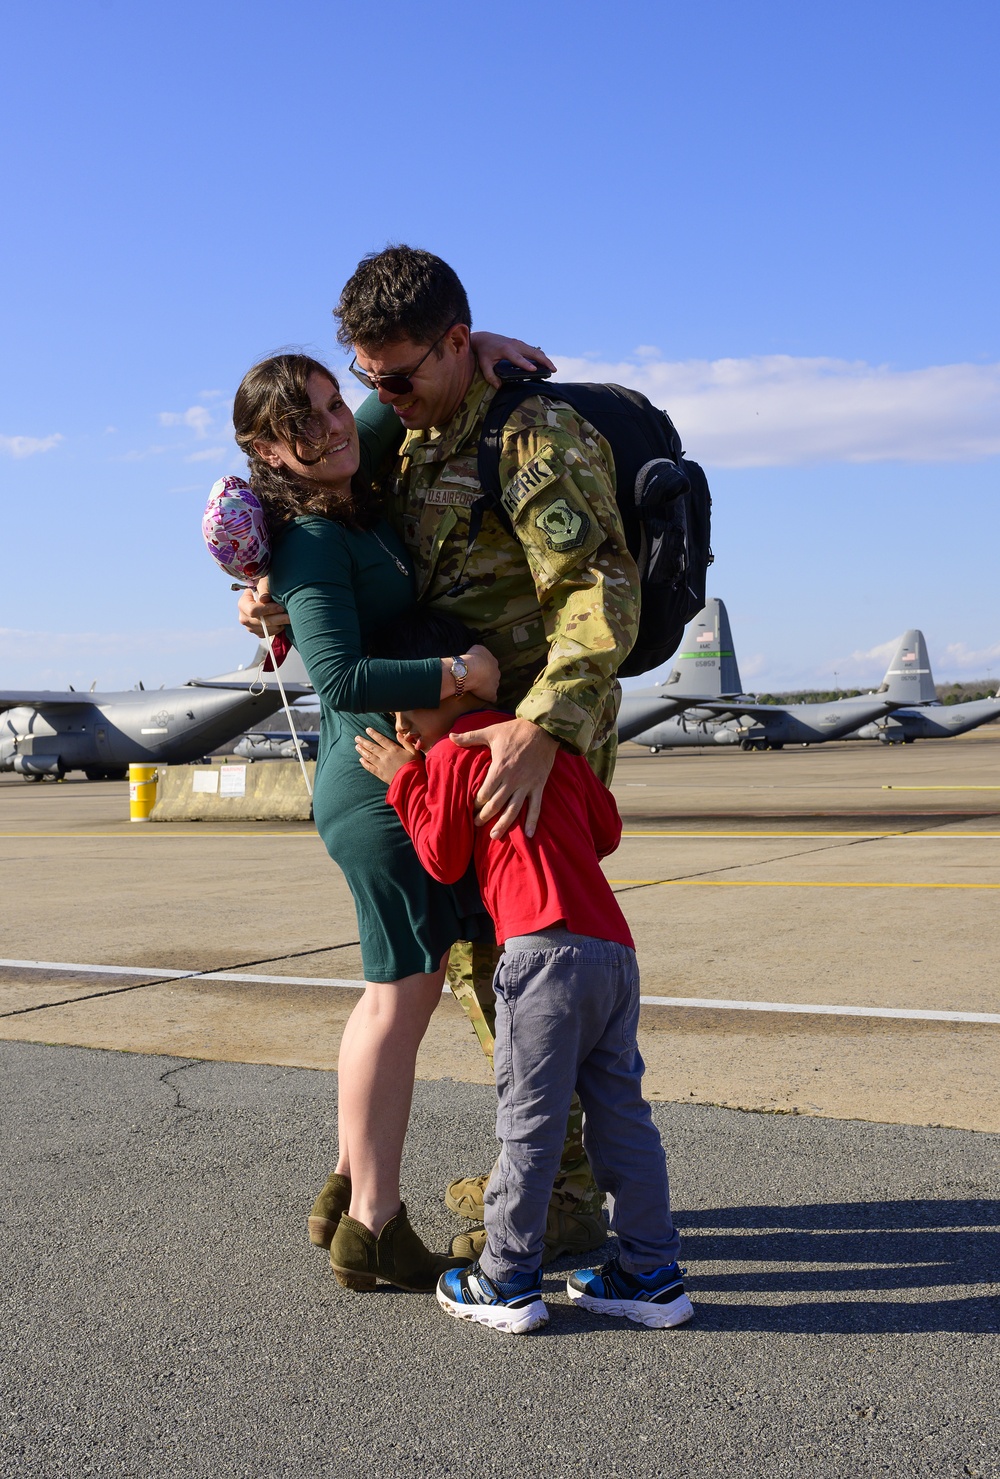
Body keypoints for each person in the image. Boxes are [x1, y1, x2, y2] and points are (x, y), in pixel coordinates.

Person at [240, 245, 641, 1263]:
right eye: (368, 381)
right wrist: (274, 599)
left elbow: (598, 592)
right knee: (481, 968)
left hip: (523, 754)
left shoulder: (533, 438)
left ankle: (555, 1196)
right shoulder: (403, 437)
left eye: (400, 376)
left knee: (534, 966)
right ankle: (526, 1176)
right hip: (441, 763)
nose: (378, 400)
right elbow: (316, 512)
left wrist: (543, 730)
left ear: (455, 344)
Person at [233, 346, 517, 1292]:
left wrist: (474, 345)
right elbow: (341, 677)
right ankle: (375, 1225)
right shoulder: (313, 544)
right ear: (267, 455)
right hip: (376, 788)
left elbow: (393, 391)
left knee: (388, 995)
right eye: (301, 425)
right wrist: (460, 675)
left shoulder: (349, 485)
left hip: (388, 783)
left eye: (328, 404)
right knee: (402, 999)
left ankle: (347, 1185)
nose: (331, 426)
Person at [355, 613, 693, 1336]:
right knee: (622, 1114)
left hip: (540, 955)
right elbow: (607, 831)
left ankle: (506, 1277)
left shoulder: (449, 754)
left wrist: (405, 779)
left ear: (434, 691)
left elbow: (442, 858)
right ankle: (650, 1271)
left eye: (404, 708)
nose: (401, 724)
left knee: (529, 1123)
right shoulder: (541, 746)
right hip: (612, 950)